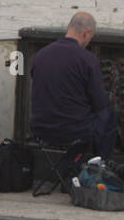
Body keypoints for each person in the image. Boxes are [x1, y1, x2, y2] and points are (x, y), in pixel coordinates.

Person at [29, 12, 117, 159]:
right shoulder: (88, 59)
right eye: (90, 38)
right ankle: (99, 169)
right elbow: (100, 104)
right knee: (109, 115)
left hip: (40, 129)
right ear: (86, 33)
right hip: (73, 132)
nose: (89, 42)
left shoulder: (40, 55)